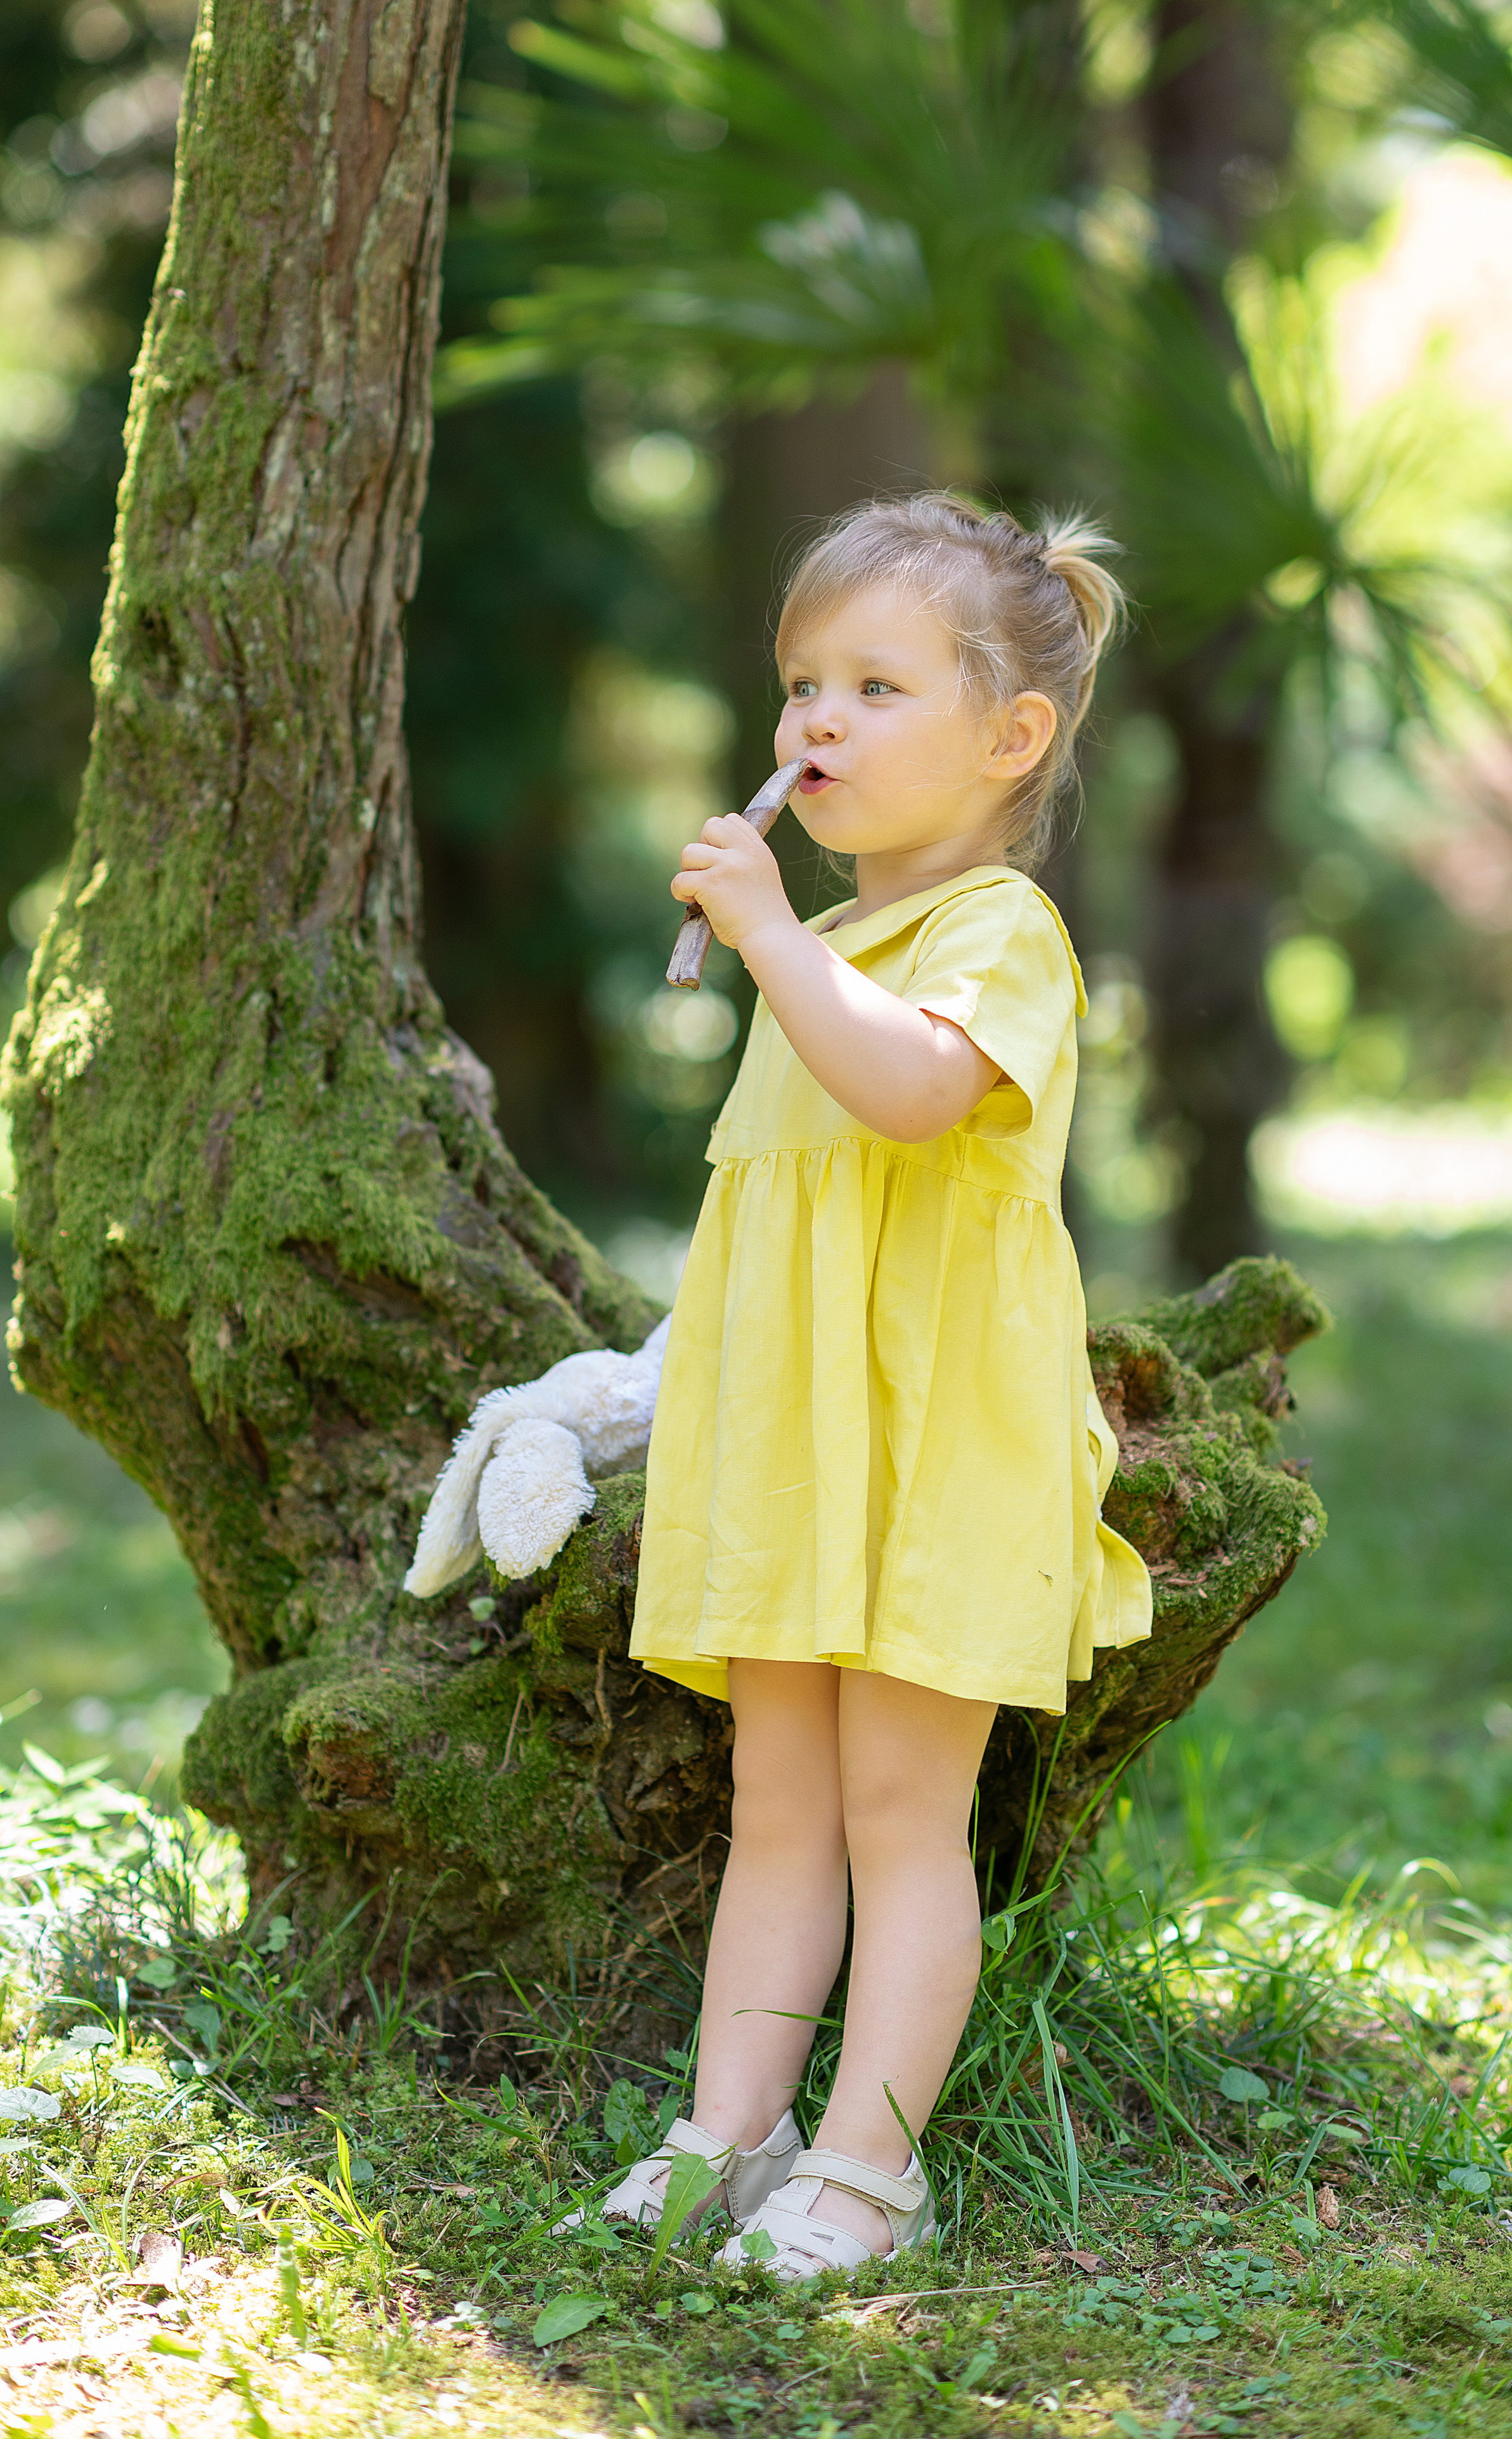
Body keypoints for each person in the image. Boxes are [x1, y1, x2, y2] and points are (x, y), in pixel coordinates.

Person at [578, 491, 1152, 2279]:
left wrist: (768, 940)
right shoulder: (815, 954)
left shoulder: (999, 936)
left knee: (908, 1817)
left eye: (874, 687)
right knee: (783, 1811)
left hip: (935, 1463)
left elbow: (910, 1095)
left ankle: (866, 2170)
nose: (812, 723)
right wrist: (781, 947)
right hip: (798, 1458)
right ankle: (726, 2135)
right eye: (798, 685)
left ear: (1010, 738)